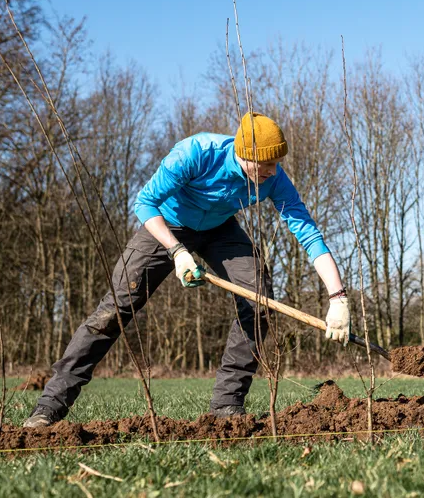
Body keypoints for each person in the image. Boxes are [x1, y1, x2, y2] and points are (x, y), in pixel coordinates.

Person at [24, 112, 351, 427]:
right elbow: (144, 202)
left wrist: (338, 298)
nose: (271, 171)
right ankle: (49, 407)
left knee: (258, 299)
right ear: (243, 154)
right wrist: (177, 251)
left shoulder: (274, 178)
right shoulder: (196, 153)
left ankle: (226, 405)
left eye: (275, 163)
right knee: (118, 307)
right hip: (166, 224)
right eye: (264, 164)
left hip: (220, 229)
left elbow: (308, 233)